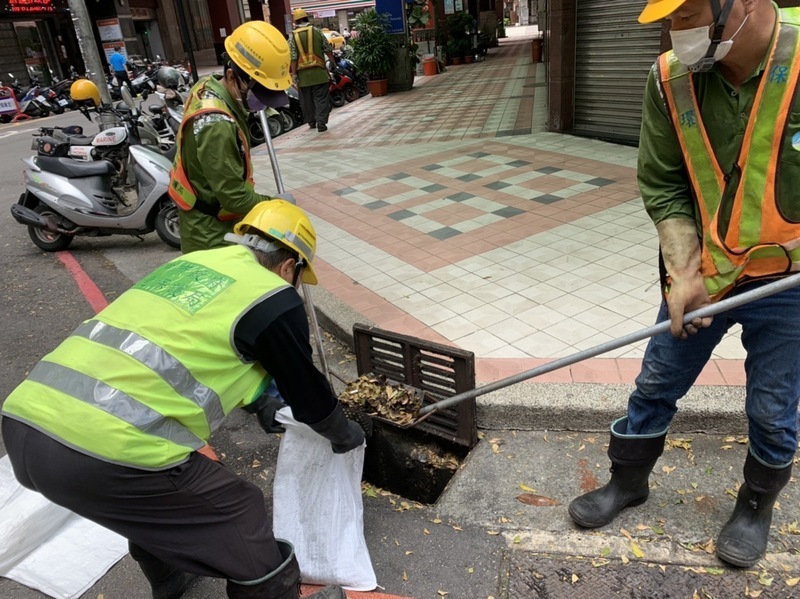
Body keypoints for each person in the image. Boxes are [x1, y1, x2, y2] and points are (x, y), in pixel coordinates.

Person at [1, 200, 363, 599]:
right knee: (239, 511)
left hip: (25, 430)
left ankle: (173, 580)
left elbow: (200, 349)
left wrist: (261, 401)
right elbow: (308, 394)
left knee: (159, 510)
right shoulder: (273, 295)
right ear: (288, 266)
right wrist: (344, 434)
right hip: (100, 453)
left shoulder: (189, 267)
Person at [568, 0, 800, 569]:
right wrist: (684, 274)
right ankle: (628, 481)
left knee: (773, 407)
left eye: (689, 13)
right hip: (707, 274)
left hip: (790, 285)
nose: (678, 32)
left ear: (741, 6)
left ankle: (754, 507)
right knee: (656, 381)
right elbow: (665, 182)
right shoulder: (669, 79)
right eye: (670, 19)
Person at [170, 20, 295, 254]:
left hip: (215, 216)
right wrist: (275, 205)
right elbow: (234, 198)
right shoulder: (216, 125)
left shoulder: (208, 84)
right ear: (231, 75)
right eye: (258, 90)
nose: (261, 99)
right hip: (210, 232)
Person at [288, 8, 337, 132]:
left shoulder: (293, 36)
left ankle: (311, 121)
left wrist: (294, 74)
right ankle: (321, 122)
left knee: (306, 100)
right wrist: (332, 62)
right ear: (307, 18)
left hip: (303, 76)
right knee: (321, 98)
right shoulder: (317, 31)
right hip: (319, 73)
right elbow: (327, 48)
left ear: (296, 21)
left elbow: (293, 57)